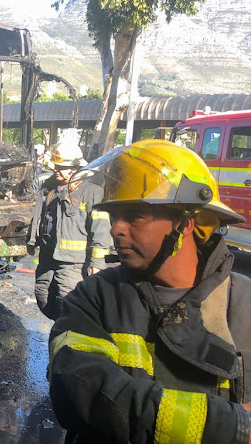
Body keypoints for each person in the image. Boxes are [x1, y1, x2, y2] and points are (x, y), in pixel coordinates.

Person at [48, 139, 251, 443]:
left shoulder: (244, 304)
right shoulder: (93, 298)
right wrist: (233, 427)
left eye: (134, 216)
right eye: (114, 216)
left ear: (184, 223)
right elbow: (79, 388)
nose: (116, 228)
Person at [26, 139, 113, 320]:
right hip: (48, 257)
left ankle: (67, 339)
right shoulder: (52, 189)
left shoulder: (92, 193)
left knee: (68, 304)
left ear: (75, 169)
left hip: (74, 262)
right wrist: (32, 239)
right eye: (56, 166)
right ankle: (61, 328)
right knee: (43, 297)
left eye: (63, 167)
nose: (57, 170)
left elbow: (101, 230)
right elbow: (41, 216)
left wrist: (96, 264)